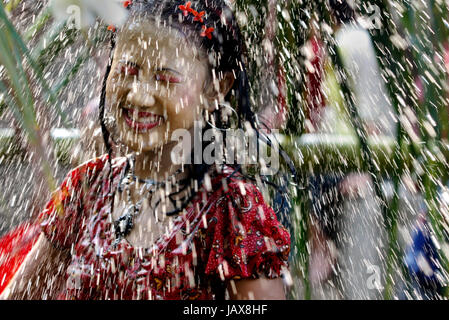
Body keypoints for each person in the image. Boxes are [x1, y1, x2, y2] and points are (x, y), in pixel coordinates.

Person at [0, 0, 291, 300]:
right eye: (127, 70)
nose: (139, 96)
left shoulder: (230, 209)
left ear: (216, 88)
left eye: (165, 79)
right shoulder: (86, 189)